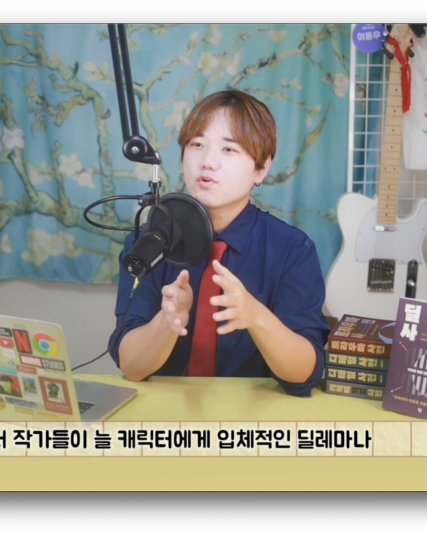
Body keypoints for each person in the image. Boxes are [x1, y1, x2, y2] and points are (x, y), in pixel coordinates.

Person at [108, 90, 331, 397]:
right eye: (197, 145)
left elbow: (305, 374)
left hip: (250, 415)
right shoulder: (149, 242)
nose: (207, 162)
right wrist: (168, 322)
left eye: (229, 149)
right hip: (167, 413)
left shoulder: (292, 249)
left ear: (261, 168)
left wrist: (257, 317)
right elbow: (131, 367)